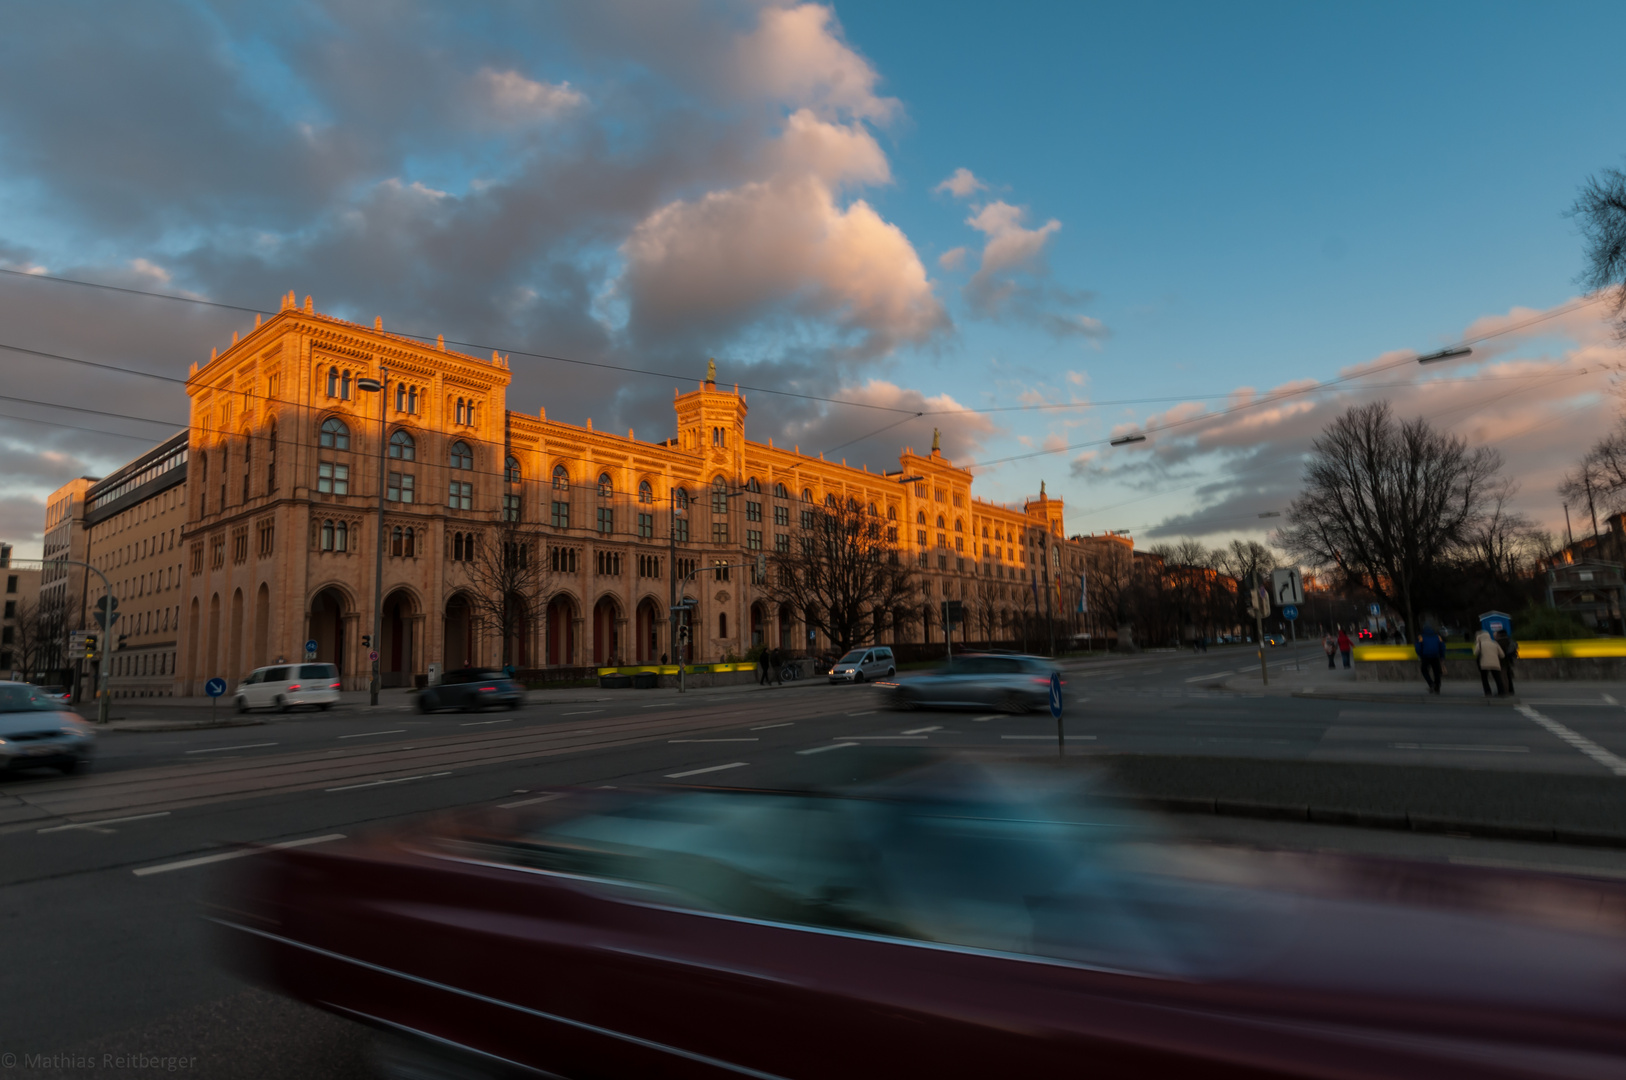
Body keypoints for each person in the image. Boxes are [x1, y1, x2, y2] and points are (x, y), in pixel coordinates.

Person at [1473, 626, 1505, 696]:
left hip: (1484, 664)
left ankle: (1488, 692)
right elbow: (1502, 655)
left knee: (1484, 679)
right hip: (1495, 664)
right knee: (1497, 678)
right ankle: (1501, 691)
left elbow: (1475, 653)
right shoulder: (1495, 643)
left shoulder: (1480, 644)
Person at [1415, 625, 1445, 694]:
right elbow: (1442, 646)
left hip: (1426, 656)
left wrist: (1420, 655)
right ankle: (1437, 686)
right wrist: (1442, 656)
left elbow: (1418, 647)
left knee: (1424, 670)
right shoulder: (1437, 636)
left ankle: (1431, 683)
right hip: (1435, 656)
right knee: (1437, 671)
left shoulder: (1421, 637)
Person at [1496, 628, 1518, 696]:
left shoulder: (1500, 642)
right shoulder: (1509, 640)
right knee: (1507, 676)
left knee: (1503, 676)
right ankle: (1510, 690)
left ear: (1500, 635)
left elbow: (1499, 653)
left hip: (1502, 661)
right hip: (1508, 660)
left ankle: (1505, 690)